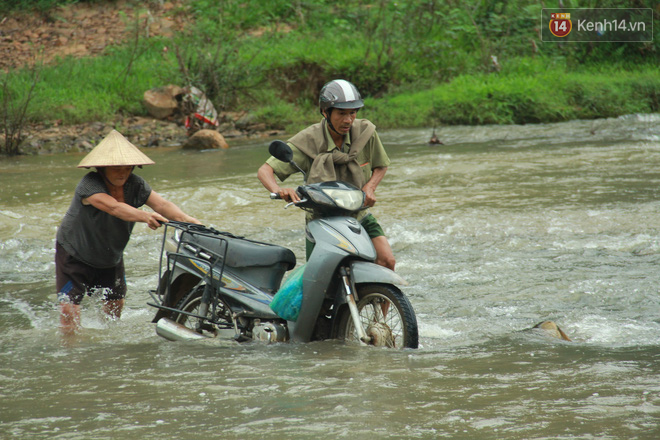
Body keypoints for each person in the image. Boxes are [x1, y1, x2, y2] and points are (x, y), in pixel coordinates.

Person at [56, 129, 200, 335]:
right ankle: (70, 354)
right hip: (74, 252)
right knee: (69, 310)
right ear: (102, 168)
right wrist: (146, 217)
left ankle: (108, 343)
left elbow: (162, 204)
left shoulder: (136, 184)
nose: (122, 173)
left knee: (116, 305)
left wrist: (189, 221)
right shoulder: (89, 184)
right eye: (116, 169)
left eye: (127, 168)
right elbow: (114, 207)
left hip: (110, 254)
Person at [257, 79, 395, 270]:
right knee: (319, 281)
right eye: (341, 113)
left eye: (352, 113)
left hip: (358, 213)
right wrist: (279, 190)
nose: (348, 120)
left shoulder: (366, 133)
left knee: (387, 261)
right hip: (321, 220)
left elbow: (381, 165)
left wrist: (370, 186)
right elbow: (265, 171)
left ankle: (384, 300)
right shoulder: (308, 140)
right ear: (325, 112)